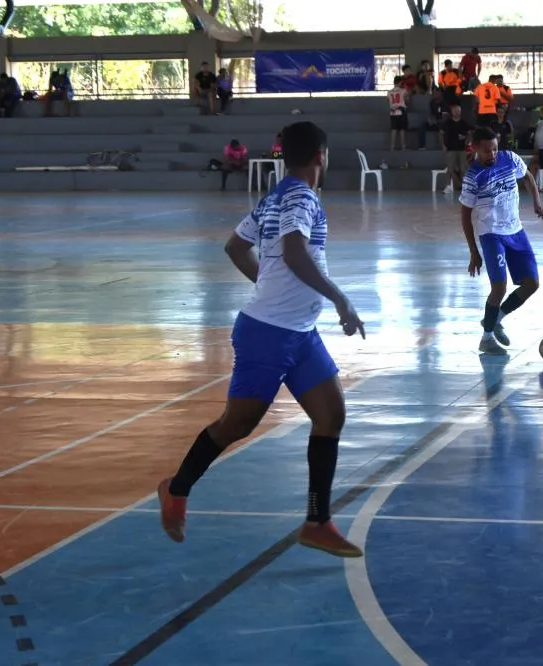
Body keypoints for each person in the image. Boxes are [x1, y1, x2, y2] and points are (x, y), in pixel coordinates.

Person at [158, 121, 366, 558]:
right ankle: (176, 489)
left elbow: (236, 247)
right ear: (320, 157)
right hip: (268, 335)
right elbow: (292, 251)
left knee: (331, 415)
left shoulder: (274, 196)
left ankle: (317, 522)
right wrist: (341, 299)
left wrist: (268, 282)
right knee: (238, 423)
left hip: (300, 334)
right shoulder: (302, 197)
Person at [459, 127, 543, 355]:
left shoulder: (509, 159)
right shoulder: (473, 177)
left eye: (495, 149)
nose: (493, 154)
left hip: (516, 231)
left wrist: (536, 202)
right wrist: (473, 252)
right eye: (487, 151)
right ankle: (486, 338)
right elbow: (465, 216)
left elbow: (527, 177)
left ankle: (495, 318)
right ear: (476, 148)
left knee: (532, 284)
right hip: (491, 233)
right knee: (499, 287)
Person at [441, 103, 472, 193]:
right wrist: (443, 145)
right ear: (451, 112)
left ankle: (466, 187)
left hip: (462, 149)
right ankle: (447, 186)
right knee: (450, 169)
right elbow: (441, 133)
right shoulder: (447, 123)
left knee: (463, 169)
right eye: (455, 111)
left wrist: (465, 139)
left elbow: (469, 134)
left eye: (458, 111)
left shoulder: (464, 123)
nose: (457, 112)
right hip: (450, 148)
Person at [387, 75, 409, 151]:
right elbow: (407, 100)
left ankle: (392, 146)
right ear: (400, 82)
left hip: (393, 112)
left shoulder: (389, 92)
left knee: (394, 129)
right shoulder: (403, 91)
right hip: (401, 111)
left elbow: (387, 101)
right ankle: (403, 146)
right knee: (402, 129)